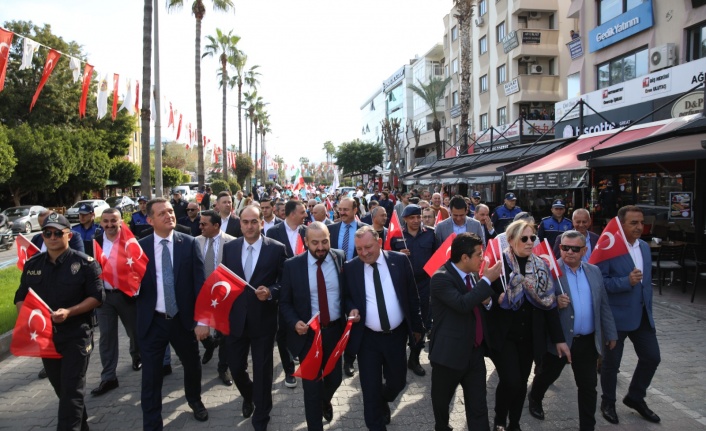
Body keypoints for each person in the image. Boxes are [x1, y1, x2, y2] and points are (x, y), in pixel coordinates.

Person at [15, 213, 103, 430]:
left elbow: (97, 298)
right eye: (47, 233)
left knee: (72, 390)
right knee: (62, 389)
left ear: (68, 235)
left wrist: (70, 312)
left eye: (57, 233)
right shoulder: (33, 264)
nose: (52, 237)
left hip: (76, 334)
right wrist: (28, 315)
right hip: (45, 337)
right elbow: (20, 296)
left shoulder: (85, 264)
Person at [527, 230, 618, 431]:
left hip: (586, 342)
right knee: (547, 376)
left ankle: (588, 426)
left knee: (588, 387)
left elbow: (603, 304)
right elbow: (535, 302)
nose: (569, 252)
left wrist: (610, 333)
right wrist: (553, 302)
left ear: (584, 250)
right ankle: (535, 396)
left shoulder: (593, 271)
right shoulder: (549, 270)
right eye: (564, 247)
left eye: (574, 249)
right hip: (559, 339)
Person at [486, 219, 570, 431]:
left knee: (522, 382)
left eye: (533, 237)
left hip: (530, 336)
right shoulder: (500, 265)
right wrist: (497, 297)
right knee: (511, 380)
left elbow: (549, 304)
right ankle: (499, 420)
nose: (530, 242)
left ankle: (514, 422)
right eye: (524, 238)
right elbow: (485, 293)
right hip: (505, 336)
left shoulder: (541, 266)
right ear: (512, 240)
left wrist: (559, 339)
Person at [136, 198, 209, 429]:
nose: (169, 215)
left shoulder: (188, 243)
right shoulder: (140, 247)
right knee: (151, 376)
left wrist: (202, 320)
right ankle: (152, 422)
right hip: (153, 321)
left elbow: (200, 284)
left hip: (183, 320)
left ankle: (194, 399)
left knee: (192, 364)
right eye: (162, 213)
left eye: (170, 211)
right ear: (150, 220)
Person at [344, 226, 424, 429]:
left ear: (379, 242)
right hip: (367, 339)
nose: (364, 253)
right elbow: (346, 297)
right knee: (369, 391)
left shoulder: (399, 260)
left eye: (368, 247)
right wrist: (351, 308)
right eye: (359, 249)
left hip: (396, 336)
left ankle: (383, 400)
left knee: (397, 383)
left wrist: (417, 326)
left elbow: (412, 295)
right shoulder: (351, 267)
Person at [222, 205, 288, 431]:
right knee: (236, 367)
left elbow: (284, 283)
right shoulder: (229, 248)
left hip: (264, 321)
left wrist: (271, 292)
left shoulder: (277, 249)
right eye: (245, 222)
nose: (249, 226)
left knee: (262, 370)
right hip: (235, 321)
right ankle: (250, 395)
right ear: (239, 223)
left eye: (254, 222)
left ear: (262, 222)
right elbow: (225, 282)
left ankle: (261, 416)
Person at [430, 233, 502, 431]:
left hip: (475, 353)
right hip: (449, 355)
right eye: (479, 254)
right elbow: (463, 304)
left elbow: (482, 301)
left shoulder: (473, 274)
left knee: (478, 406)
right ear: (464, 258)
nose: (483, 258)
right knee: (442, 403)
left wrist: (488, 301)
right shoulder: (441, 278)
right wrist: (486, 281)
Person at [279, 222, 347, 430]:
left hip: (335, 332)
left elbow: (348, 292)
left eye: (325, 241)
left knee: (335, 378)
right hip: (309, 336)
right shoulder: (292, 265)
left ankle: (325, 402)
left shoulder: (339, 257)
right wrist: (294, 322)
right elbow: (285, 302)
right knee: (311, 388)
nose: (320, 247)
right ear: (306, 242)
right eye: (315, 242)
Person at [597, 205, 661, 424]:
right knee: (611, 364)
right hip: (616, 317)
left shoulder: (644, 247)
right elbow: (600, 282)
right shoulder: (608, 247)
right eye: (633, 223)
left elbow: (646, 284)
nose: (639, 227)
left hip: (642, 315)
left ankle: (635, 397)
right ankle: (608, 402)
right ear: (620, 224)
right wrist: (626, 282)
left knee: (652, 357)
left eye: (641, 222)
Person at [91, 209, 142, 397]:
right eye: (106, 221)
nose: (110, 224)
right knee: (106, 337)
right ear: (101, 223)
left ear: (121, 222)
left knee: (135, 332)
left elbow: (140, 267)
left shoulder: (131, 241)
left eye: (114, 220)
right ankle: (108, 377)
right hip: (104, 297)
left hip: (126, 295)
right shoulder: (95, 242)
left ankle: (137, 355)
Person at [390, 204, 437, 377]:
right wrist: (398, 253)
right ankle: (398, 359)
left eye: (419, 217)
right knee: (402, 321)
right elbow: (386, 257)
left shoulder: (431, 234)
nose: (416, 221)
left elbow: (438, 258)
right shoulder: (396, 236)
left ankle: (415, 358)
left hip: (425, 284)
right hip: (403, 285)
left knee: (422, 321)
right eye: (412, 218)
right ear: (405, 219)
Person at [265, 200, 307, 388]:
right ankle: (289, 370)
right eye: (302, 212)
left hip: (305, 290)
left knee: (302, 326)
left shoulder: (307, 231)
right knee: (283, 330)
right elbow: (271, 262)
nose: (305, 215)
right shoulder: (273, 232)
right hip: (283, 289)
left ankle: (303, 360)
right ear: (291, 214)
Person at [195, 210, 237, 386]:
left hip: (224, 295)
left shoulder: (232, 243)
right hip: (201, 295)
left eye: (204, 224)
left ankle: (223, 366)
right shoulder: (195, 242)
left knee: (224, 332)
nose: (200, 227)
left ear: (216, 225)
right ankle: (210, 344)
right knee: (198, 327)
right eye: (200, 223)